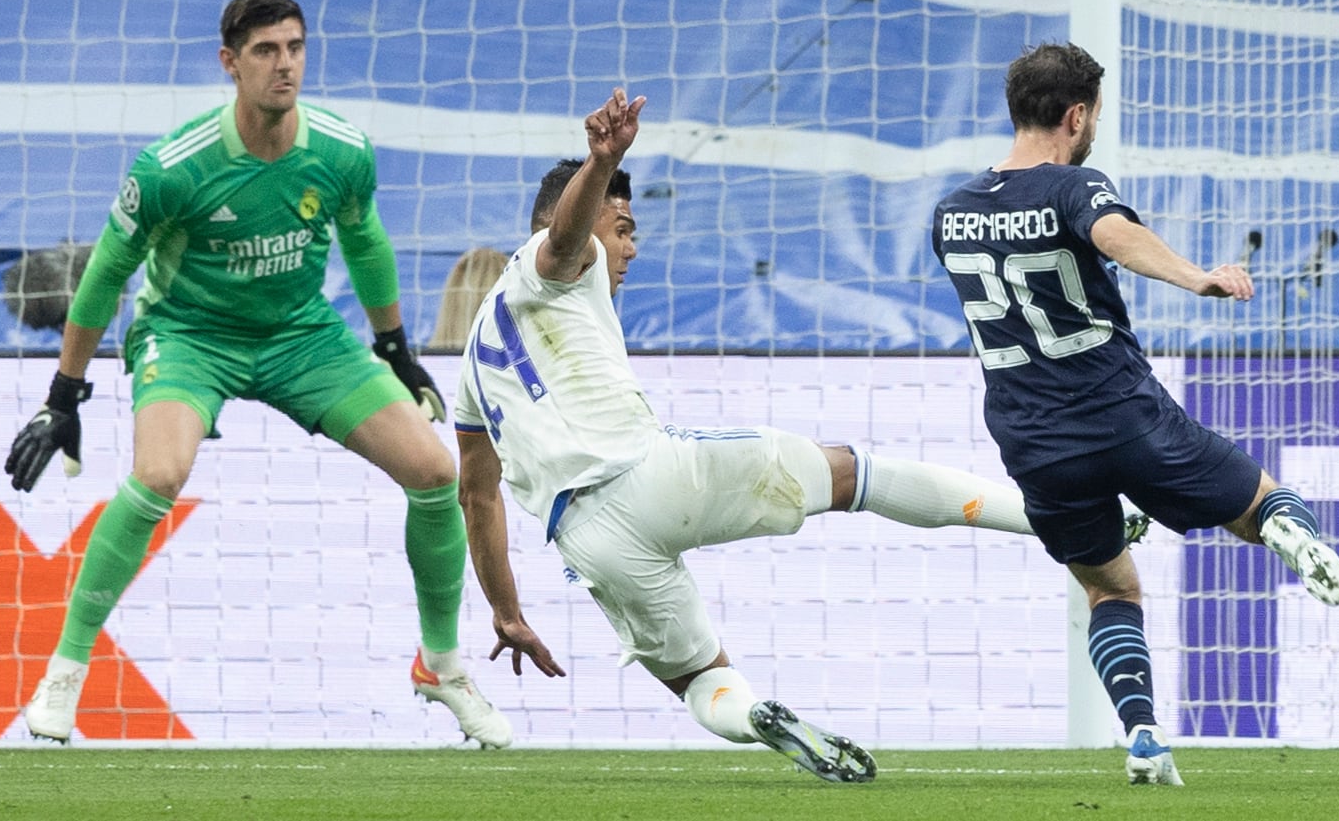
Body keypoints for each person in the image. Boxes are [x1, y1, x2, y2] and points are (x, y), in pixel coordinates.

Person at [451, 87, 1145, 782]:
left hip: (586, 539)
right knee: (851, 473)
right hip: (650, 472)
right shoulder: (551, 261)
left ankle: (753, 715)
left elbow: (477, 499)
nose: (630, 246)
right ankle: (1058, 518)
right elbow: (567, 237)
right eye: (624, 227)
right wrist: (602, 164)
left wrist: (507, 611)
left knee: (699, 676)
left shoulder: (469, 375)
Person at [4, 0, 509, 748]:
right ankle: (66, 670)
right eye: (267, 51)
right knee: (160, 475)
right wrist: (64, 393)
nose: (286, 65)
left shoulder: (341, 149)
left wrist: (396, 348)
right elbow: (106, 274)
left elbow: (365, 241)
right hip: (189, 334)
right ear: (230, 64)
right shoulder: (174, 167)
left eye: (296, 47)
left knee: (435, 473)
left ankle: (439, 662)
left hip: (301, 336)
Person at [932, 42, 1339, 787]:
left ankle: (1145, 736)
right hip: (1122, 412)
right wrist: (1198, 278)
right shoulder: (1074, 186)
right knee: (1259, 500)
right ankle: (1287, 529)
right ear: (1076, 113)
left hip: (1034, 441)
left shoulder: (951, 213)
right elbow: (1112, 234)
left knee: (1112, 589)